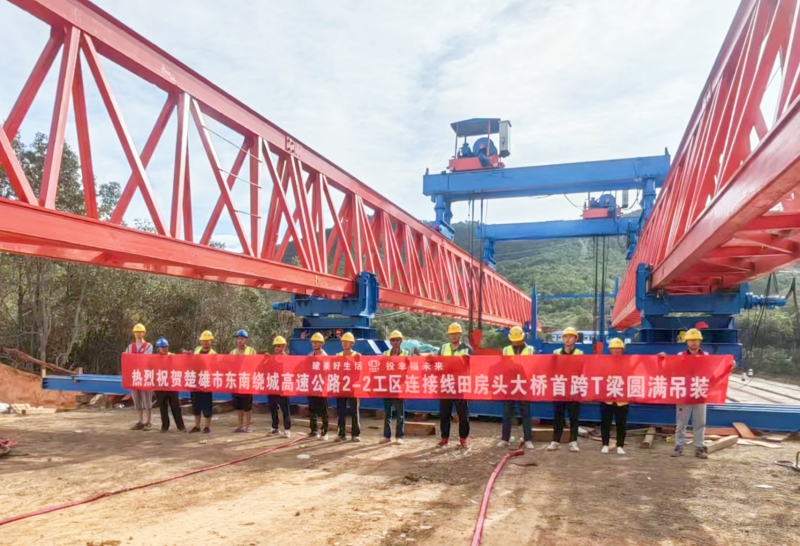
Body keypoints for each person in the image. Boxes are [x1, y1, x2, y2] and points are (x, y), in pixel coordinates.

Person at [661, 328, 709, 459]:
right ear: (686, 342)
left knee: (700, 423)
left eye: (696, 340)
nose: (693, 343)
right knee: (681, 423)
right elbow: (671, 371)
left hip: (700, 393)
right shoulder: (680, 356)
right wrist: (663, 360)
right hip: (684, 394)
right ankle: (678, 446)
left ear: (700, 342)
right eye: (691, 340)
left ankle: (699, 447)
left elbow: (714, 373)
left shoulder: (707, 356)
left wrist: (729, 366)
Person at [498, 326, 535, 450]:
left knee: (526, 412)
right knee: (507, 412)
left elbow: (533, 366)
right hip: (510, 384)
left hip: (524, 384)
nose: (516, 342)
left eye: (518, 339)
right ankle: (505, 438)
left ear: (523, 337)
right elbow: (503, 366)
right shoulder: (506, 350)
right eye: (514, 340)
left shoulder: (530, 350)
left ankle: (528, 439)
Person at [437, 322, 473, 449]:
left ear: (460, 334)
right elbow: (437, 365)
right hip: (446, 385)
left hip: (460, 386)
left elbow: (473, 367)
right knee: (444, 414)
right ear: (448, 335)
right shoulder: (443, 348)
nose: (453, 336)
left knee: (463, 414)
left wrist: (468, 360)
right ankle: (444, 438)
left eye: (455, 334)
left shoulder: (467, 348)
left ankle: (463, 439)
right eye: (451, 334)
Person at [547, 327, 583, 452]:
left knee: (574, 417)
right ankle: (555, 441)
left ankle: (573, 442)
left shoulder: (580, 354)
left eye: (570, 336)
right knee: (558, 416)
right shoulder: (556, 353)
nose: (567, 339)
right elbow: (551, 369)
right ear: (563, 339)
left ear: (575, 339)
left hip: (574, 388)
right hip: (560, 388)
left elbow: (583, 371)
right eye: (565, 337)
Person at [601, 338, 628, 455]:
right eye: (614, 349)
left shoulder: (628, 362)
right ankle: (605, 444)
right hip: (607, 397)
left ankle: (620, 445)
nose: (616, 351)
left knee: (621, 424)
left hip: (622, 398)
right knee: (605, 423)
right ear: (610, 350)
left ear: (622, 350)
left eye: (618, 349)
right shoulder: (604, 362)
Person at [381, 330, 408, 445]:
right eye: (393, 340)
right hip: (388, 387)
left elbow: (412, 367)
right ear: (390, 342)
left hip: (399, 387)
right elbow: (380, 368)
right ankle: (387, 436)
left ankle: (399, 436)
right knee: (387, 414)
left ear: (401, 341)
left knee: (400, 414)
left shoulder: (406, 354)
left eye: (397, 340)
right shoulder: (385, 353)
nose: (395, 342)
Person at [125, 323, 154, 431]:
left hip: (145, 376)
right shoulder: (130, 347)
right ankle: (140, 421)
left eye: (140, 332)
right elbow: (127, 358)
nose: (138, 334)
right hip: (134, 376)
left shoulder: (148, 346)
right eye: (136, 332)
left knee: (147, 399)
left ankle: (148, 421)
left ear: (143, 333)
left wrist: (134, 359)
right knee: (137, 400)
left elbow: (145, 359)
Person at [154, 337, 185, 433]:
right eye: (162, 347)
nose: (164, 349)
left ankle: (181, 426)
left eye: (166, 347)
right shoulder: (154, 359)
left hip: (172, 385)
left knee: (176, 406)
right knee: (163, 407)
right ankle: (165, 426)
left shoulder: (173, 356)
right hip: (160, 386)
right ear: (158, 348)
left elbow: (182, 363)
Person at [335, 332, 362, 442]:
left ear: (352, 343)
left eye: (347, 342)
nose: (345, 344)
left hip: (353, 388)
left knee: (354, 411)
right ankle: (341, 434)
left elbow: (360, 372)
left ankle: (355, 434)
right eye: (343, 342)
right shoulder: (338, 356)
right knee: (340, 411)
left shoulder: (357, 356)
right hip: (341, 387)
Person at [231, 329, 257, 433]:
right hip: (236, 382)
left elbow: (255, 364)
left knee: (247, 406)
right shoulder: (232, 352)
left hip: (247, 381)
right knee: (239, 406)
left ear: (246, 340)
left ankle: (247, 426)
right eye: (238, 338)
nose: (240, 340)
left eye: (242, 338)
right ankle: (240, 425)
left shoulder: (251, 351)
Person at [190, 330, 216, 434]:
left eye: (207, 341)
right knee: (196, 405)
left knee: (207, 405)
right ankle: (197, 426)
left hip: (206, 383)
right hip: (195, 382)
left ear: (211, 341)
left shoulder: (213, 354)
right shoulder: (197, 350)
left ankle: (207, 426)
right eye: (203, 341)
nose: (205, 343)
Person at [268, 336, 292, 437]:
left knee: (285, 408)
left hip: (283, 387)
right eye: (275, 346)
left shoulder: (288, 359)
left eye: (278, 346)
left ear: (283, 347)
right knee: (273, 407)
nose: (276, 348)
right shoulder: (271, 358)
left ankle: (287, 429)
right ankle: (275, 427)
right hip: (273, 385)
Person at [307, 332, 329, 440]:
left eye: (317, 342)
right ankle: (313, 430)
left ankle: (324, 431)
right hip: (312, 386)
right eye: (313, 342)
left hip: (321, 386)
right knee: (312, 409)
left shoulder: (325, 357)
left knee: (323, 410)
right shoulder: (309, 356)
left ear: (321, 343)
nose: (314, 344)